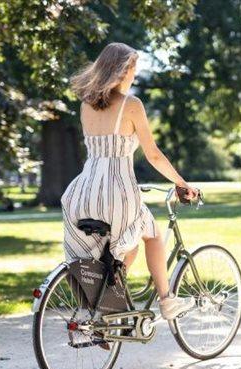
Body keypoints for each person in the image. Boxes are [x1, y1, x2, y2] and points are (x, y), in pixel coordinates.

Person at [63, 42, 197, 320]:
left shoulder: (86, 105)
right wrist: (182, 183)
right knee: (153, 234)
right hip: (117, 190)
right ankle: (167, 300)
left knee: (121, 249)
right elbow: (154, 155)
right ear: (121, 71)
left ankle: (105, 307)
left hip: (84, 190)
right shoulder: (131, 105)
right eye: (133, 70)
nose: (134, 76)